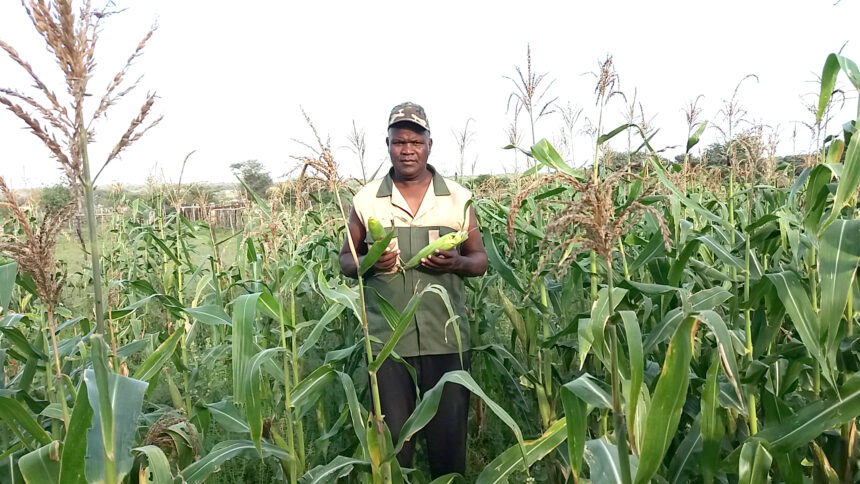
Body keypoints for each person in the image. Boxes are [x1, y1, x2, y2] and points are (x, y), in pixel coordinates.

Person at [339, 102, 488, 477]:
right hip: (389, 345)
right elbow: (345, 261)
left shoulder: (457, 198)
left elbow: (479, 261)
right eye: (399, 141)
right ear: (387, 145)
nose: (407, 149)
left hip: (447, 338)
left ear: (429, 145)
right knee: (393, 446)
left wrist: (455, 263)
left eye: (415, 141)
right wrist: (370, 262)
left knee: (449, 441)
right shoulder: (367, 199)